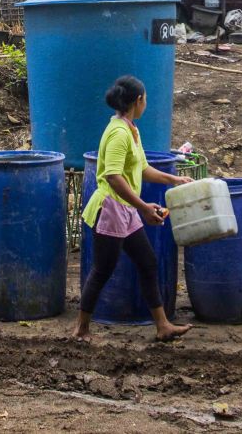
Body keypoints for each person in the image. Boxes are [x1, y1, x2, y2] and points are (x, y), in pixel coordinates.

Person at [73, 75, 194, 343]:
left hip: (125, 210)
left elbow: (141, 168)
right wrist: (142, 206)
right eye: (146, 99)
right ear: (138, 101)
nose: (146, 103)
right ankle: (81, 329)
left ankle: (163, 325)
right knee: (103, 269)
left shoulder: (130, 129)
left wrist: (174, 179)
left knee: (147, 262)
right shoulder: (118, 133)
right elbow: (114, 176)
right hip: (111, 209)